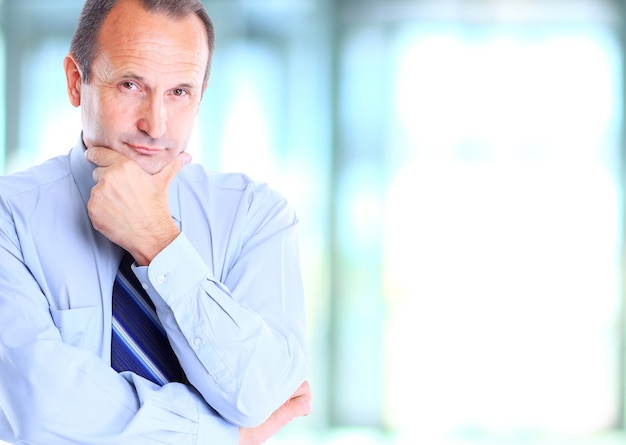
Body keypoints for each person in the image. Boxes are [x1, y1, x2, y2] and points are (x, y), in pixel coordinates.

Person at [0, 0, 311, 443]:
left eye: (179, 92)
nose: (155, 124)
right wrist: (223, 436)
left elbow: (261, 396)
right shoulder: (7, 218)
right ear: (75, 82)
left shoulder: (255, 217)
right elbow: (38, 406)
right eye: (130, 84)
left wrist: (157, 242)